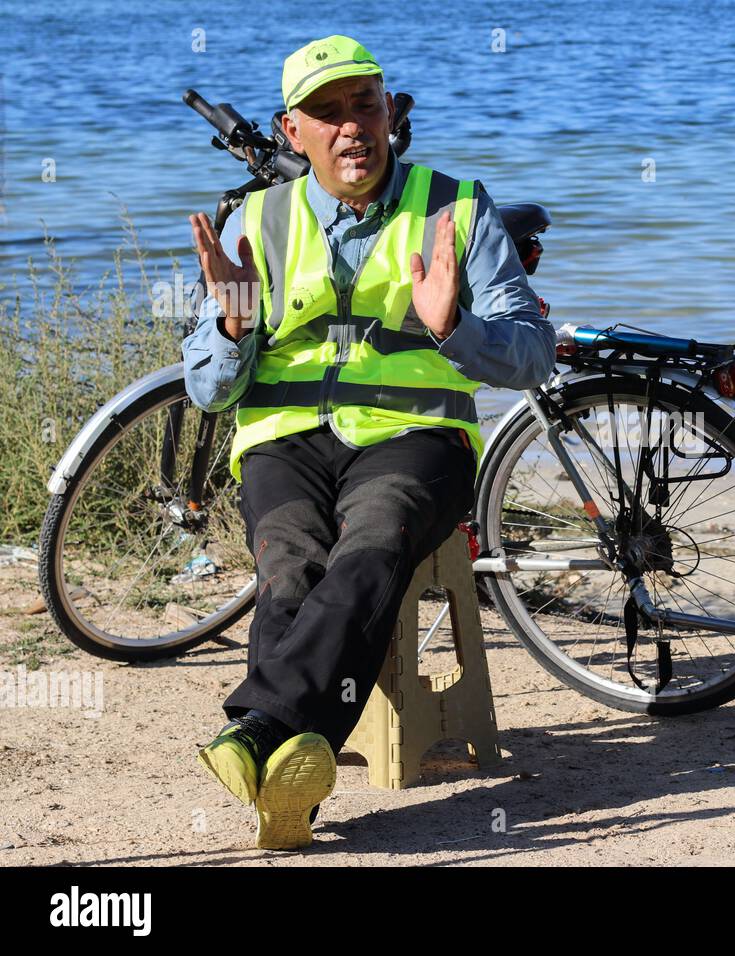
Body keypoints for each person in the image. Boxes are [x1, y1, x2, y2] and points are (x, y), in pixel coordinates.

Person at [183, 35, 555, 850]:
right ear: (292, 132)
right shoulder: (256, 221)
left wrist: (454, 326)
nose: (351, 128)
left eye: (365, 106)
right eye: (327, 112)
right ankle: (289, 783)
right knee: (288, 568)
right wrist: (231, 326)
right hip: (286, 442)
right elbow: (209, 390)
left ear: (391, 113)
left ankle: (254, 728)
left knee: (370, 547)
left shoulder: (454, 207)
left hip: (416, 442)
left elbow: (533, 356)